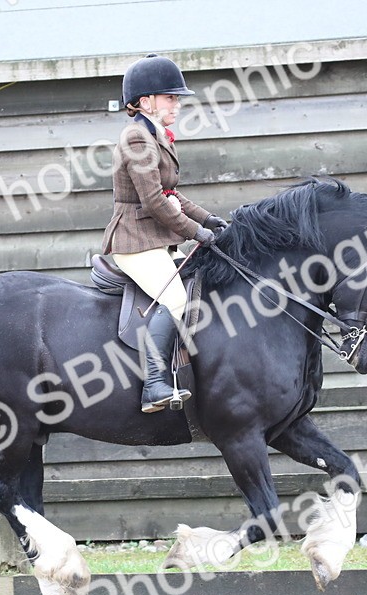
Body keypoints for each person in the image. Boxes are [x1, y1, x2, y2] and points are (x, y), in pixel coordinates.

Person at [102, 54, 227, 413]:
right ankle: (154, 385)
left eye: (177, 97)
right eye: (170, 97)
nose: (177, 103)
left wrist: (210, 219)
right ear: (145, 102)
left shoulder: (156, 136)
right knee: (175, 299)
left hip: (155, 240)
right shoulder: (136, 139)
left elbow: (171, 192)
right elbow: (155, 201)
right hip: (134, 240)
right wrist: (195, 232)